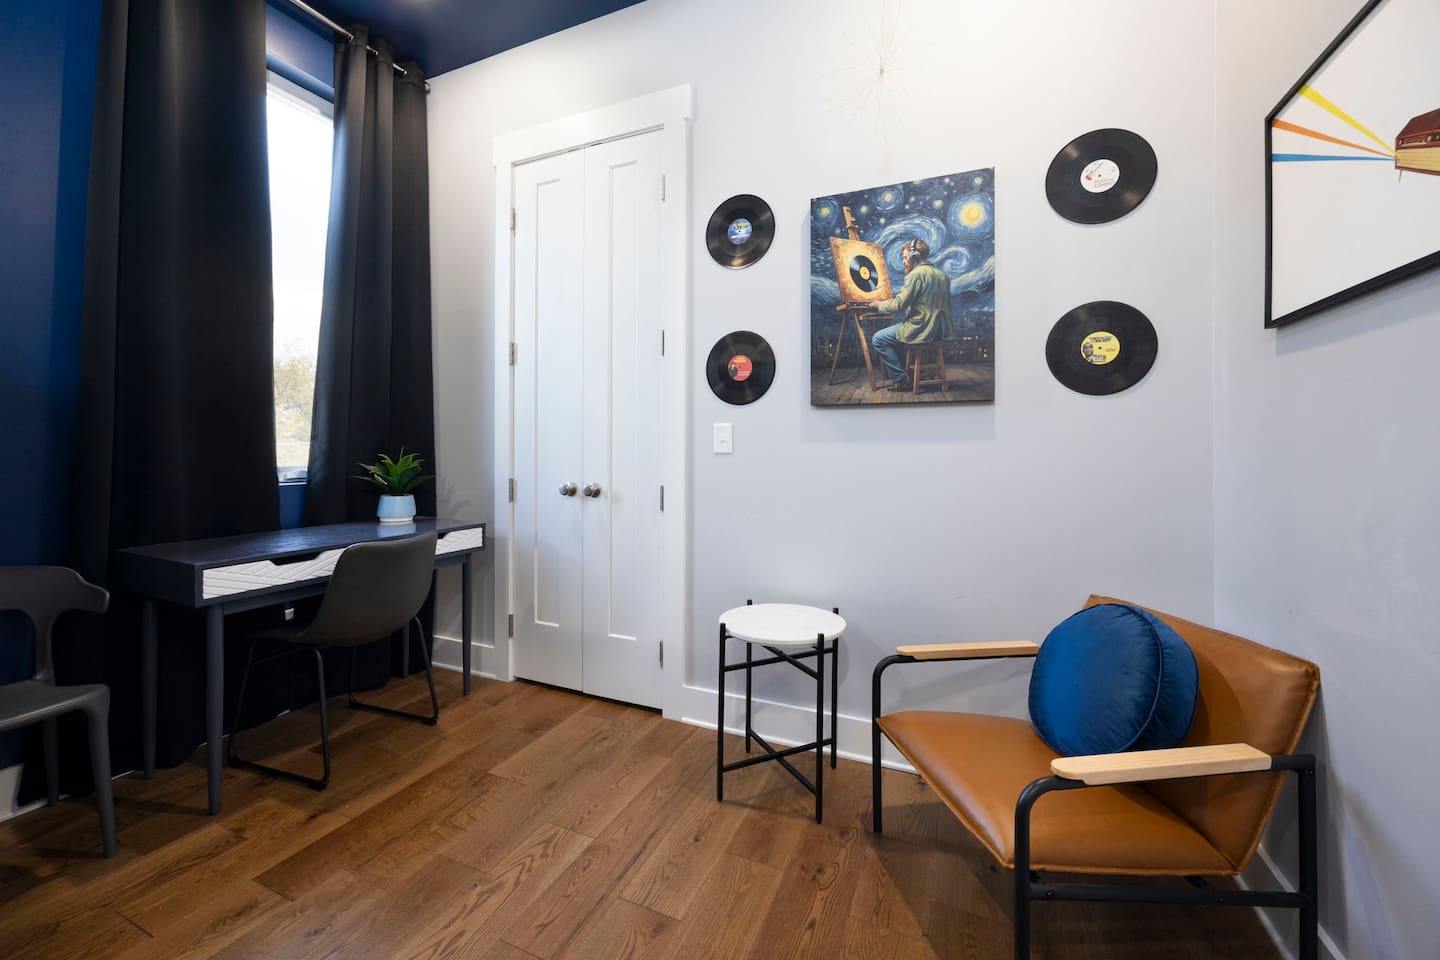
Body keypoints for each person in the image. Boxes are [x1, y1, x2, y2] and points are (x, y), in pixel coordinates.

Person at [869, 239, 955, 390]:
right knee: (898, 335)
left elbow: (899, 305)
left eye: (904, 257)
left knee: (878, 339)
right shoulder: (942, 275)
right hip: (940, 331)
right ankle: (912, 375)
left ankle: (901, 379)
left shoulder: (915, 275)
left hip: (922, 329)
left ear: (915, 257)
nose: (903, 261)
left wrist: (879, 305)